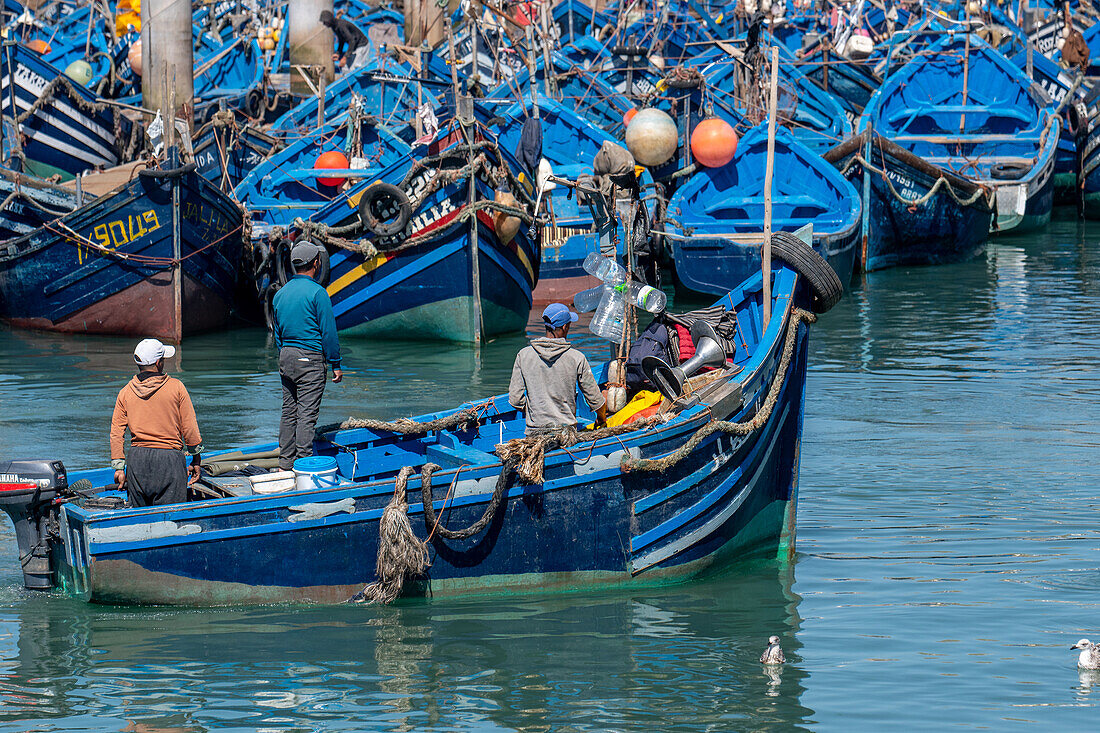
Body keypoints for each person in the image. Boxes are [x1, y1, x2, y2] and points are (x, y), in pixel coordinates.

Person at [272, 240, 342, 470]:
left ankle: (285, 463)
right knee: (306, 415)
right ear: (316, 263)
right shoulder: (318, 293)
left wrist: (286, 352)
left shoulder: (279, 295)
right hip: (309, 359)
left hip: (286, 356)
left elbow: (278, 334)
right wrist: (336, 363)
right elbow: (328, 333)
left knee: (289, 411)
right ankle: (303, 465)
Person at [110, 339, 203, 507]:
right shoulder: (177, 388)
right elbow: (189, 428)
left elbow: (117, 433)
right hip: (169, 462)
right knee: (170, 520)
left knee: (139, 520)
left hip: (137, 462)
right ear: (159, 363)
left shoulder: (125, 392)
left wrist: (118, 467)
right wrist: (196, 459)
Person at [509, 303, 607, 436]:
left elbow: (515, 400)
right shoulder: (576, 358)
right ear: (566, 327)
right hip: (566, 435)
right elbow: (596, 400)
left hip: (534, 434)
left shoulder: (523, 355)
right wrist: (601, 419)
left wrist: (535, 411)